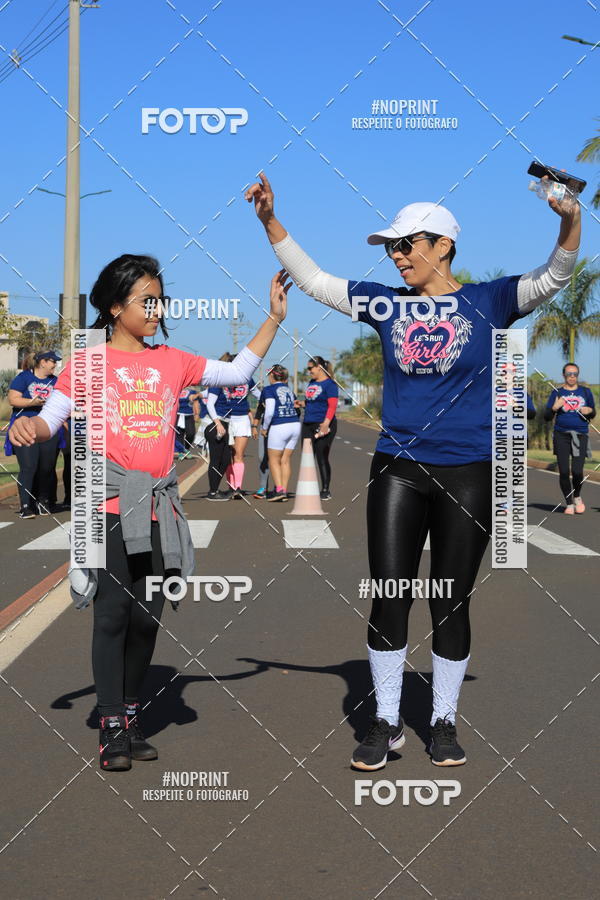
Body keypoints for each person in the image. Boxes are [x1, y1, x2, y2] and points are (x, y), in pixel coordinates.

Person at [246, 171, 581, 768]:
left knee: (451, 600)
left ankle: (444, 721)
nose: (397, 256)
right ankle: (384, 721)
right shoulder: (384, 304)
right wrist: (271, 221)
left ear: (443, 245)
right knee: (389, 595)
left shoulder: (491, 301)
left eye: (407, 245)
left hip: (470, 472)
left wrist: (569, 220)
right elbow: (316, 279)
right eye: (391, 248)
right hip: (399, 466)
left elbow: (554, 274)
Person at [9, 254, 290, 771]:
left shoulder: (173, 361)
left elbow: (236, 372)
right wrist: (33, 429)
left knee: (147, 617)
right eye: (147, 300)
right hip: (107, 504)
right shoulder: (89, 364)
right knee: (112, 614)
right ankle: (112, 724)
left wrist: (273, 317)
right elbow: (52, 417)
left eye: (161, 299)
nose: (157, 309)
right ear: (116, 307)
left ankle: (132, 713)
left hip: (160, 505)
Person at [6, 350, 62, 518]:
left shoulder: (55, 381)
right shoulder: (24, 378)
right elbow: (13, 399)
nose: (55, 365)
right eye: (53, 361)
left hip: (48, 429)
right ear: (42, 362)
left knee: (46, 467)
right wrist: (33, 402)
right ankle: (25, 506)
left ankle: (43, 501)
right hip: (25, 428)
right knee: (29, 467)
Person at [544, 363, 595, 514]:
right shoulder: (557, 392)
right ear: (564, 375)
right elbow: (547, 417)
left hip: (580, 434)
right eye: (569, 374)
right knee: (564, 471)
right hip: (561, 435)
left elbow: (593, 413)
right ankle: (569, 503)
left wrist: (589, 410)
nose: (572, 376)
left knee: (578, 471)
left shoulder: (585, 392)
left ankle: (577, 496)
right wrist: (554, 408)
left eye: (575, 374)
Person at [206, 359, 261, 499]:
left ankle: (237, 487)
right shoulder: (222, 379)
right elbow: (210, 400)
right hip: (226, 420)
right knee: (226, 456)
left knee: (238, 454)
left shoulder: (248, 379)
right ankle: (230, 487)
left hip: (242, 419)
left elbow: (260, 396)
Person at [298, 356, 338, 500]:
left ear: (319, 367)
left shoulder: (330, 385)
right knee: (307, 458)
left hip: (324, 424)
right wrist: (301, 404)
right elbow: (311, 402)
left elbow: (332, 405)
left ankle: (325, 490)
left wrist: (326, 423)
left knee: (322, 456)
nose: (309, 371)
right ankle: (309, 488)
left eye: (311, 368)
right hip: (308, 423)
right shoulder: (311, 383)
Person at [260, 364, 301, 501]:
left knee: (274, 460)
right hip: (294, 424)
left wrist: (265, 427)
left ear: (272, 375)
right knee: (285, 459)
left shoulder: (269, 390)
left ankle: (279, 490)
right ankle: (283, 489)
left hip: (279, 425)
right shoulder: (288, 389)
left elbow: (269, 411)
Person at [252, 392, 271, 498]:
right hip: (264, 428)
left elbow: (296, 411)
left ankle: (280, 489)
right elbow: (259, 410)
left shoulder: (288, 393)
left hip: (280, 427)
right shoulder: (266, 391)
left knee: (278, 459)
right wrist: (254, 426)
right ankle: (263, 488)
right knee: (262, 457)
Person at [176, 385, 201, 458]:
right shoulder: (177, 389)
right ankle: (181, 452)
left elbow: (195, 403)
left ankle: (186, 449)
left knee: (191, 434)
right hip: (178, 415)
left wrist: (197, 414)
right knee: (179, 434)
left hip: (189, 415)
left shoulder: (192, 390)